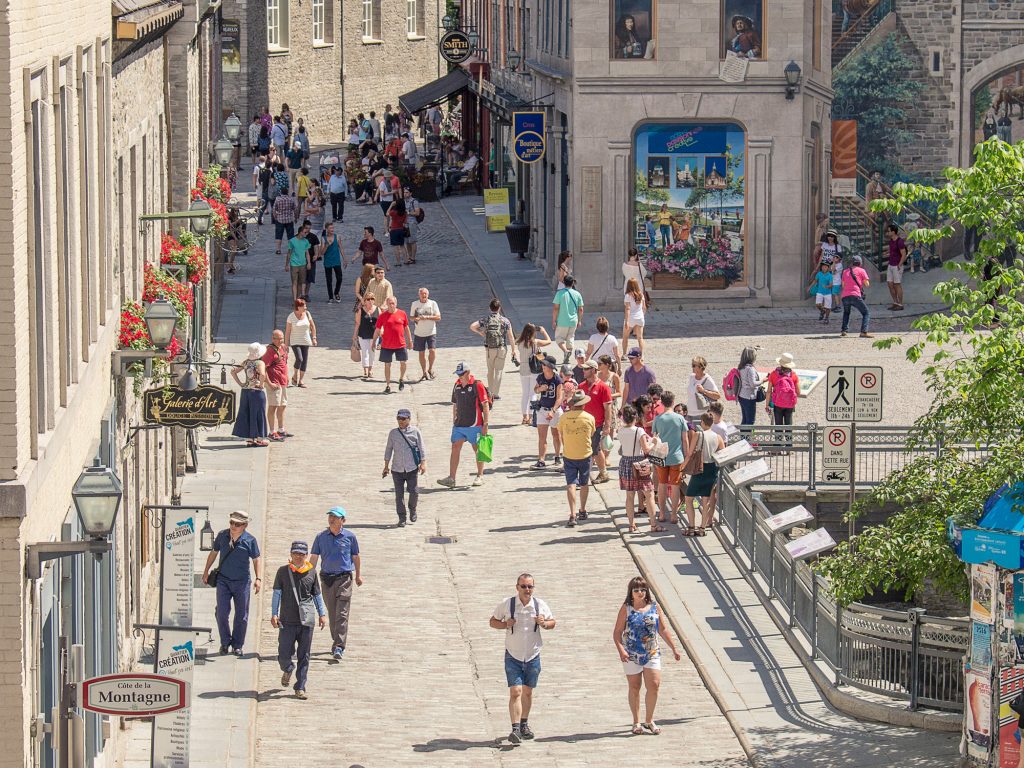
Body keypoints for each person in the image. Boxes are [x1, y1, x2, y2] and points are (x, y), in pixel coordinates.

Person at [489, 574, 556, 745]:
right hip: (513, 654)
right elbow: (493, 622)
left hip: (532, 654)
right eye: (524, 586)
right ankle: (515, 729)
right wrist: (506, 624)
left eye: (530, 587)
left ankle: (524, 723)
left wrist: (544, 623)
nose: (527, 590)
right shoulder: (508, 604)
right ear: (517, 587)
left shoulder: (539, 605)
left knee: (527, 691)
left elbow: (552, 622)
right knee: (515, 691)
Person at [612, 576, 681, 736]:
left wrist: (674, 648)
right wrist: (621, 650)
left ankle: (649, 720)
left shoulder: (655, 607)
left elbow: (662, 629)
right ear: (631, 592)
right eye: (636, 590)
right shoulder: (626, 608)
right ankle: (636, 722)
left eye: (643, 589)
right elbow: (617, 632)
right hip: (631, 653)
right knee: (635, 687)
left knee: (654, 684)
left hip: (652, 652)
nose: (640, 593)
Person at [201, 510, 262, 656]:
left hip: (242, 582)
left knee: (242, 615)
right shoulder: (222, 536)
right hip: (223, 580)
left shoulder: (250, 541)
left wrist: (258, 578)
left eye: (237, 524)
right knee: (221, 613)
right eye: (232, 523)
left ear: (245, 525)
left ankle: (237, 644)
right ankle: (225, 642)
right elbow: (214, 553)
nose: (233, 526)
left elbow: (256, 559)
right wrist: (206, 571)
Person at [271, 541, 327, 700]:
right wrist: (274, 613)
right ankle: (288, 668)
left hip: (306, 621)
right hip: (287, 621)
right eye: (296, 553)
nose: (298, 557)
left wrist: (322, 614)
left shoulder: (312, 573)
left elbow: (316, 595)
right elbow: (277, 594)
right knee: (283, 653)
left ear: (306, 555)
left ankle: (300, 686)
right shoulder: (282, 572)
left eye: (302, 554)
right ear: (291, 554)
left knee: (305, 655)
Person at [309, 507, 362, 661]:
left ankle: (339, 646)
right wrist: (307, 576)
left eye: (335, 517)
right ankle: (336, 639)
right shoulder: (320, 537)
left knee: (342, 613)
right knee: (333, 613)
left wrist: (358, 575)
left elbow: (355, 556)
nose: (332, 519)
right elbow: (314, 558)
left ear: (343, 520)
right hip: (327, 580)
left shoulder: (350, 537)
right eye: (330, 516)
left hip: (344, 578)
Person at [437, 362, 490, 488]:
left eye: (461, 374)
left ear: (467, 373)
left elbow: (485, 404)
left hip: (475, 424)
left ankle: (480, 475)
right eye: (458, 374)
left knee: (478, 450)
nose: (459, 376)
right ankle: (452, 478)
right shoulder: (457, 385)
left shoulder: (477, 385)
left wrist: (486, 424)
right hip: (459, 425)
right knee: (455, 447)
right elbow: (455, 403)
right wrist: (454, 419)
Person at [617, 405, 661, 533]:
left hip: (625, 462)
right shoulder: (639, 431)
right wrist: (654, 442)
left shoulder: (620, 431)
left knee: (629, 496)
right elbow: (646, 449)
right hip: (639, 462)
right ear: (635, 417)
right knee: (649, 494)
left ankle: (631, 525)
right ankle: (653, 525)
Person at [683, 413, 725, 536]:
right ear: (712, 423)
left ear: (702, 421)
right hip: (712, 469)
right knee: (705, 499)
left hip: (700, 468)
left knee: (689, 498)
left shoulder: (698, 434)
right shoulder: (718, 437)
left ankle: (691, 527)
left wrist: (683, 466)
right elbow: (722, 453)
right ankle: (702, 528)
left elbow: (690, 453)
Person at [382, 408, 427, 527]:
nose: (401, 421)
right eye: (399, 418)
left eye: (403, 419)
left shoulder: (415, 432)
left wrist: (423, 463)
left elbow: (421, 447)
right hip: (397, 469)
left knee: (414, 491)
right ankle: (402, 518)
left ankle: (412, 509)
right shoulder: (393, 433)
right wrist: (386, 466)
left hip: (411, 468)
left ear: (409, 419)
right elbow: (388, 449)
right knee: (399, 495)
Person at [559, 390, 596, 527]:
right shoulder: (589, 418)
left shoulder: (564, 417)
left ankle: (572, 513)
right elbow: (592, 433)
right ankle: (582, 509)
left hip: (569, 454)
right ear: (584, 405)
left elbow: (561, 432)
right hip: (585, 454)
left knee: (571, 484)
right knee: (584, 483)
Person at [652, 391, 688, 526]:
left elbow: (655, 438)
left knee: (661, 484)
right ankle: (673, 514)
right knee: (675, 486)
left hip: (661, 455)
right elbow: (685, 440)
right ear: (673, 402)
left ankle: (661, 513)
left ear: (662, 402)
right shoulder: (680, 419)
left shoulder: (658, 419)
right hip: (676, 456)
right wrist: (686, 457)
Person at [470, 298, 516, 400]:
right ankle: (495, 393)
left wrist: (480, 332)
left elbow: (472, 326)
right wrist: (513, 350)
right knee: (498, 371)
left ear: (490, 308)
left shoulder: (486, 319)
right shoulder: (505, 321)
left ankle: (489, 392)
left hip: (489, 349)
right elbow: (511, 336)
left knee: (490, 370)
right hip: (501, 348)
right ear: (499, 308)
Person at [580, 360, 614, 485]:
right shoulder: (581, 386)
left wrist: (607, 426)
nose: (583, 371)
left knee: (594, 449)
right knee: (593, 449)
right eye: (583, 369)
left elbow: (608, 408)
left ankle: (601, 472)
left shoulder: (603, 387)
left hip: (597, 424)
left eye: (586, 369)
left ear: (593, 370)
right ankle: (601, 472)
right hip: (584, 424)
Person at [372, 295, 413, 394]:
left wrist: (410, 341)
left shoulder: (402, 313)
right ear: (387, 304)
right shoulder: (382, 316)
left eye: (393, 303)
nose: (391, 305)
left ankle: (401, 379)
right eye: (389, 303)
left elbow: (406, 328)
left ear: (396, 304)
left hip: (400, 344)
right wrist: (373, 341)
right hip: (387, 345)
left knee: (403, 362)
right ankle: (388, 385)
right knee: (387, 365)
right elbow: (377, 330)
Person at [231, 342, 269, 447]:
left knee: (247, 413)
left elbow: (233, 372)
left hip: (246, 391)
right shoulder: (260, 363)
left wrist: (241, 384)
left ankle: (250, 439)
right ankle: (259, 439)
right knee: (258, 413)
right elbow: (262, 374)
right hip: (256, 391)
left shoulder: (246, 362)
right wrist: (261, 384)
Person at [516, 324, 553, 426]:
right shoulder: (535, 342)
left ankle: (524, 417)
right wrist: (543, 331)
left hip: (523, 369)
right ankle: (532, 416)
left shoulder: (519, 342)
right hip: (533, 369)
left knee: (525, 393)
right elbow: (549, 341)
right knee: (532, 393)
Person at [764, 353, 800, 452]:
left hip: (777, 403)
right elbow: (798, 392)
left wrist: (767, 404)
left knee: (778, 425)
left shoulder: (774, 374)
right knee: (789, 425)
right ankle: (789, 448)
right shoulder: (793, 375)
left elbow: (769, 391)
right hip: (790, 405)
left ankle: (777, 448)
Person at [532, 356, 564, 468]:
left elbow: (559, 398)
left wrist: (553, 411)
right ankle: (541, 460)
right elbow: (535, 389)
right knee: (542, 436)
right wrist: (540, 389)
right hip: (542, 410)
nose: (542, 366)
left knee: (556, 434)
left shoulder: (557, 380)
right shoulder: (540, 377)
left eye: (544, 365)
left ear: (550, 367)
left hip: (554, 410)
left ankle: (557, 456)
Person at [262, 330, 291, 441]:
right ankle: (271, 432)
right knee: (273, 407)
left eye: (281, 338)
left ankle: (281, 429)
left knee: (282, 406)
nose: (280, 341)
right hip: (274, 383)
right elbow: (263, 367)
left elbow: (284, 363)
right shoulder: (269, 351)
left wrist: (287, 376)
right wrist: (269, 383)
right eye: (277, 338)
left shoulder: (283, 348)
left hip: (282, 382)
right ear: (272, 338)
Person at [551, 275, 584, 365]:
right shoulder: (577, 294)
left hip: (562, 320)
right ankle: (567, 357)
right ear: (572, 283)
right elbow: (580, 309)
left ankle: (565, 351)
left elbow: (555, 308)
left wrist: (554, 320)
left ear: (564, 283)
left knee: (559, 338)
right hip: (573, 321)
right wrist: (580, 320)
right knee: (570, 338)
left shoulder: (560, 293)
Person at [410, 287, 441, 381]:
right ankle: (423, 372)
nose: (424, 296)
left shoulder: (433, 303)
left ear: (428, 295)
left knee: (432, 351)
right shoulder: (414, 304)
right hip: (419, 332)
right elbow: (411, 317)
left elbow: (438, 317)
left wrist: (427, 317)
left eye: (425, 294)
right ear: (419, 295)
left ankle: (430, 369)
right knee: (421, 352)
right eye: (422, 294)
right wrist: (416, 319)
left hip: (431, 331)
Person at [285, 299, 317, 388]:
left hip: (306, 340)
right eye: (304, 306)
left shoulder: (307, 314)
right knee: (299, 358)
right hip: (295, 341)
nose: (305, 308)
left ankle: (301, 380)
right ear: (298, 307)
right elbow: (287, 332)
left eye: (305, 306)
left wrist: (314, 338)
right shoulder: (291, 317)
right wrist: (286, 345)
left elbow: (313, 326)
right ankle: (295, 374)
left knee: (304, 361)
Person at [840, 254, 873, 338]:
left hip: (845, 296)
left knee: (846, 312)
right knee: (866, 313)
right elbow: (867, 284)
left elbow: (843, 285)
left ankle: (844, 330)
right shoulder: (862, 271)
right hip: (855, 295)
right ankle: (863, 331)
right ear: (860, 263)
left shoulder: (845, 271)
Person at [686, 356, 720, 423]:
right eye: (692, 365)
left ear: (701, 367)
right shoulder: (691, 377)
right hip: (689, 412)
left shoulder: (707, 379)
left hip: (701, 414)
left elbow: (717, 396)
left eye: (694, 365)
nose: (692, 367)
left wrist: (703, 391)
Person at [284, 221, 311, 303]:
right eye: (305, 232)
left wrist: (309, 262)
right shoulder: (292, 241)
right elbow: (289, 253)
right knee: (294, 282)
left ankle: (302, 297)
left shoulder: (306, 241)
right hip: (294, 264)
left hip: (303, 264)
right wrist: (286, 265)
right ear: (300, 232)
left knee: (303, 281)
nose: (306, 234)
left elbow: (307, 253)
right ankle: (295, 299)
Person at [353, 295, 379, 380]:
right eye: (368, 299)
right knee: (365, 352)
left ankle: (370, 370)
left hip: (374, 335)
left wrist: (382, 332)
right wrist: (354, 335)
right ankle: (365, 369)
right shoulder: (360, 310)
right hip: (363, 334)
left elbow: (381, 322)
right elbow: (357, 323)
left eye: (372, 299)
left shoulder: (378, 309)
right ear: (365, 301)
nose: (370, 301)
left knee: (372, 352)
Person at [735, 347, 761, 430]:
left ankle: (743, 438)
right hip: (749, 397)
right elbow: (753, 384)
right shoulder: (750, 369)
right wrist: (763, 380)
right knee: (750, 420)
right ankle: (747, 440)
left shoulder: (741, 367)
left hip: (742, 395)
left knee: (745, 419)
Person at [622, 279, 647, 358]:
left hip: (631, 318)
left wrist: (626, 321)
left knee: (625, 337)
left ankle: (624, 354)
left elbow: (628, 309)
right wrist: (641, 316)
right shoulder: (641, 295)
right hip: (640, 317)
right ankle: (642, 355)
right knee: (640, 338)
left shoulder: (628, 296)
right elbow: (644, 308)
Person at [320, 221, 344, 303]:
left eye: (333, 228)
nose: (332, 229)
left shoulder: (337, 237)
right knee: (329, 280)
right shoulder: (323, 238)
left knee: (339, 278)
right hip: (328, 262)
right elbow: (321, 253)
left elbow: (341, 248)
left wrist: (344, 258)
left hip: (336, 261)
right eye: (330, 228)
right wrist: (326, 246)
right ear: (326, 229)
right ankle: (330, 297)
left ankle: (336, 292)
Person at [886, 223, 908, 310]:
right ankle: (895, 302)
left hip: (897, 265)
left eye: (889, 231)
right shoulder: (891, 240)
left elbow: (904, 254)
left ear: (893, 232)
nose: (887, 233)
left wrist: (900, 264)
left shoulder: (900, 241)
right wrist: (887, 252)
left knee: (897, 284)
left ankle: (900, 304)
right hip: (890, 264)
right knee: (890, 284)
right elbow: (892, 250)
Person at [273, 191, 298, 256]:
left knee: (279, 235)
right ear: (287, 193)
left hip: (280, 219)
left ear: (281, 193)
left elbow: (274, 209)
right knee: (290, 236)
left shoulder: (278, 199)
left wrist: (275, 217)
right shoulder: (291, 199)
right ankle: (291, 249)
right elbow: (295, 209)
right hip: (289, 220)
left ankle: (278, 249)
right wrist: (295, 218)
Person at [385, 198, 409, 267]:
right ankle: (406, 260)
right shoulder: (405, 212)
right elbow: (405, 222)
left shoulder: (394, 212)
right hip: (401, 229)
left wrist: (391, 205)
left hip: (394, 230)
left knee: (395, 247)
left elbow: (387, 213)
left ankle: (398, 262)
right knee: (402, 246)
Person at [402, 188, 423, 264]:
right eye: (404, 192)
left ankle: (413, 258)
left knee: (413, 241)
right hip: (405, 223)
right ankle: (409, 257)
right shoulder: (403, 202)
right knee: (407, 241)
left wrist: (408, 212)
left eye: (407, 192)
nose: (405, 194)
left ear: (410, 193)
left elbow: (417, 213)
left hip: (412, 223)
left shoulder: (414, 201)